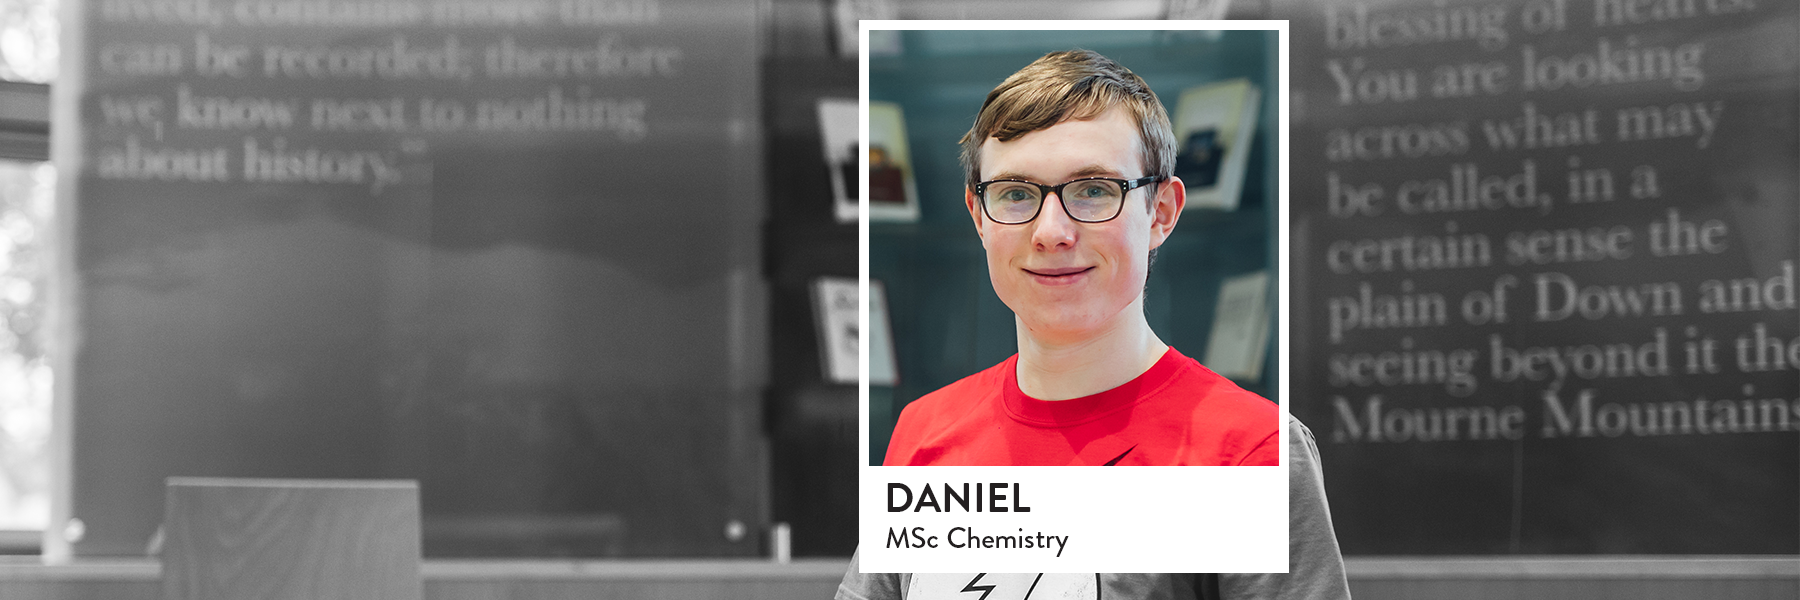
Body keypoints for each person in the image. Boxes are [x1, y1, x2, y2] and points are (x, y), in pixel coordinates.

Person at [838, 49, 1350, 599]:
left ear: (1161, 213)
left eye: (1093, 191)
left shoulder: (1249, 454)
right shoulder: (925, 435)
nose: (1051, 231)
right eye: (1015, 194)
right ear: (978, 216)